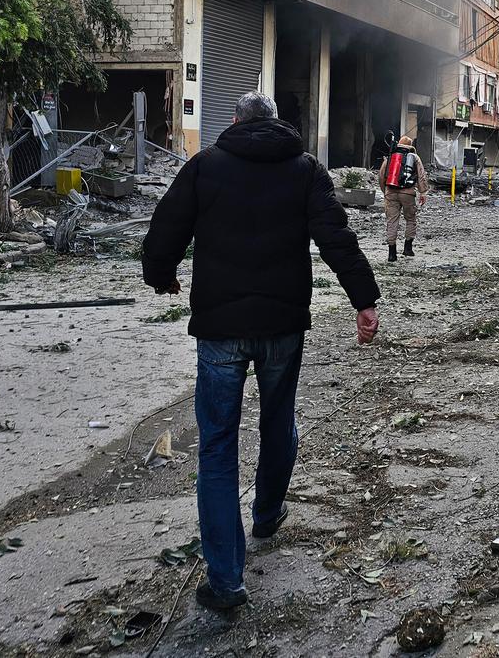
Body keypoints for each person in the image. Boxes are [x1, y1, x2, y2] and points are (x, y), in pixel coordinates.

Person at [141, 92, 380, 612]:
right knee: (277, 422)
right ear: (277, 124)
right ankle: (268, 514)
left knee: (218, 446)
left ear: (234, 121)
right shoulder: (305, 170)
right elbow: (335, 237)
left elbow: (166, 227)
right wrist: (364, 300)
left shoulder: (205, 166)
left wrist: (161, 275)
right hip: (281, 326)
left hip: (220, 328)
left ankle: (226, 581)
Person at [377, 134, 430, 262]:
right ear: (410, 146)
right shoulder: (414, 157)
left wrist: (385, 191)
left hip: (391, 192)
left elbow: (381, 175)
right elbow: (421, 176)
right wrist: (423, 192)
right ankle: (408, 248)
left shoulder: (390, 156)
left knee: (392, 221)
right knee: (410, 219)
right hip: (407, 193)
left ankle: (392, 254)